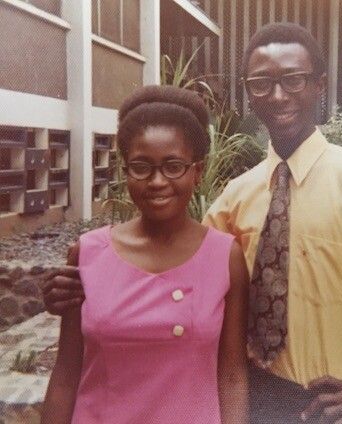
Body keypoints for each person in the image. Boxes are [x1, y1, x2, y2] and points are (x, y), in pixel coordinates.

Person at [43, 24, 342, 424]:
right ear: (249, 93)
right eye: (262, 83)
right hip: (245, 396)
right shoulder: (236, 197)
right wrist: (80, 292)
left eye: (293, 79)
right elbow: (180, 280)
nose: (278, 95)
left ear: (320, 85)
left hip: (327, 405)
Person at [41, 85, 249, 424]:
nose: (156, 181)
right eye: (141, 166)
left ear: (197, 172)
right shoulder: (89, 253)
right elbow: (66, 373)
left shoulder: (225, 258)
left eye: (173, 166)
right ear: (125, 171)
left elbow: (232, 377)